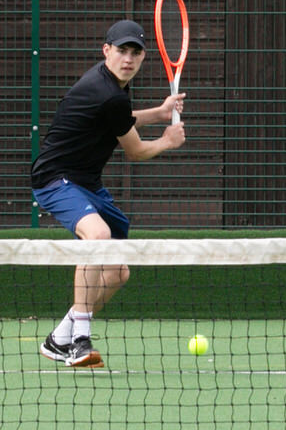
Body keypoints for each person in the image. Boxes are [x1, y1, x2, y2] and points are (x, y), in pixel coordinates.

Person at [31, 19, 186, 368]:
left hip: (86, 182)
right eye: (121, 50)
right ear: (106, 51)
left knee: (118, 273)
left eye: (135, 52)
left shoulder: (113, 87)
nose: (128, 58)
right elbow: (136, 151)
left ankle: (58, 338)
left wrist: (160, 113)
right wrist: (166, 140)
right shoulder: (105, 92)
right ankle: (79, 340)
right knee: (97, 235)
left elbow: (118, 118)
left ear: (143, 57)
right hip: (55, 179)